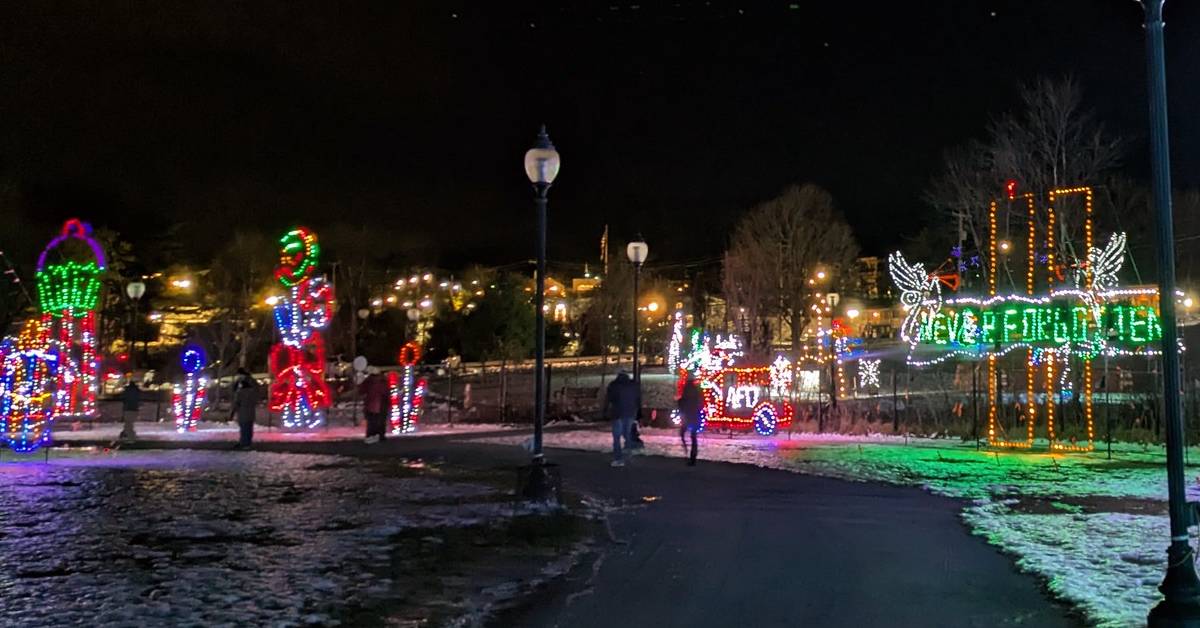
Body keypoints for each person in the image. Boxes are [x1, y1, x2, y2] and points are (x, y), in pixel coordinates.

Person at [604, 369, 640, 467]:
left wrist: (605, 411)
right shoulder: (633, 385)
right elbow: (638, 399)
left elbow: (608, 399)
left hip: (617, 413)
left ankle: (618, 459)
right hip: (630, 413)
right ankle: (629, 454)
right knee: (627, 434)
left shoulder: (613, 385)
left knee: (616, 437)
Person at [230, 368, 259, 450]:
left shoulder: (241, 391)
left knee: (244, 427)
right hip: (250, 411)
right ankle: (247, 443)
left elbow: (236, 400)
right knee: (248, 427)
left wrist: (233, 411)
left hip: (243, 411)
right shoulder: (253, 387)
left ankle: (244, 443)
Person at [359, 367, 389, 444]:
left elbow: (361, 391)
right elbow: (386, 392)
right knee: (380, 421)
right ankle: (380, 436)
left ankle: (371, 436)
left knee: (371, 422)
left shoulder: (368, 381)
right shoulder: (383, 381)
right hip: (382, 404)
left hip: (370, 405)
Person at [678, 372, 702, 466]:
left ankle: (687, 452)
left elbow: (683, 402)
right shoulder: (696, 390)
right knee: (693, 437)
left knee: (683, 434)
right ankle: (693, 457)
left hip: (687, 415)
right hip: (695, 416)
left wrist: (680, 403)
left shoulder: (686, 389)